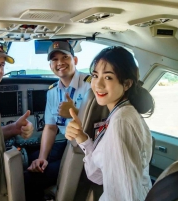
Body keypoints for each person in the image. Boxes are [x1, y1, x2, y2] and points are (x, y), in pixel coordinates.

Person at [65, 46, 154, 201]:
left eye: (108, 77)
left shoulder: (122, 121)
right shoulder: (119, 115)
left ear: (126, 84)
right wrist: (82, 138)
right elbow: (98, 175)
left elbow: (126, 194)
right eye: (95, 75)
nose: (97, 85)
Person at [25, 41, 91, 200]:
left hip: (84, 147)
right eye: (54, 59)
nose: (60, 63)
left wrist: (74, 113)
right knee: (31, 157)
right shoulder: (52, 91)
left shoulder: (90, 85)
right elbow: (50, 127)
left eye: (65, 57)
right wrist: (42, 157)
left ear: (75, 61)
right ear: (50, 66)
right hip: (67, 144)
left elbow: (99, 123)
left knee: (29, 179)